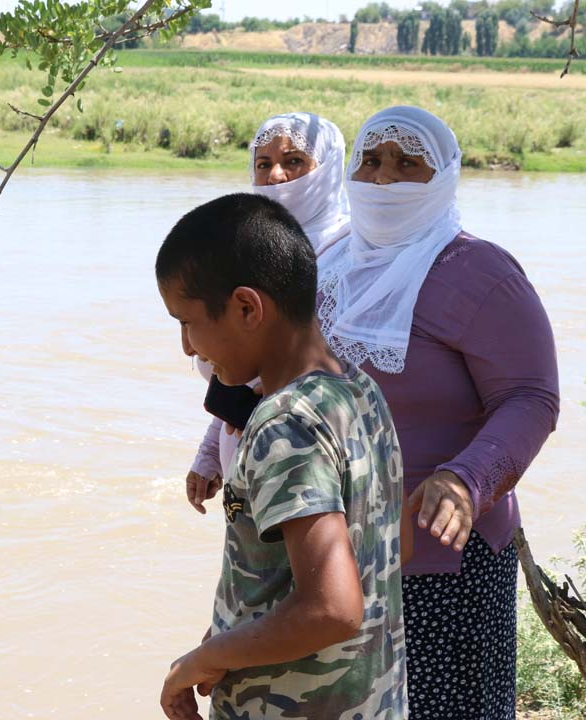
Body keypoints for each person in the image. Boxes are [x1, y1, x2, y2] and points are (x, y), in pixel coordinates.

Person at [319, 106, 560, 718]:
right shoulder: (328, 264)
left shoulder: (480, 272)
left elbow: (531, 397)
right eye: (370, 161)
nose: (382, 178)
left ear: (444, 177)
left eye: (407, 164)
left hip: (439, 559)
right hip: (333, 548)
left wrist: (465, 478)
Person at [156, 194, 407, 720]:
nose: (186, 347)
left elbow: (331, 608)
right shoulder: (358, 391)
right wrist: (230, 634)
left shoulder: (283, 423)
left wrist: (199, 660)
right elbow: (388, 547)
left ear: (247, 308)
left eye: (187, 322)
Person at [187, 112, 351, 515]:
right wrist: (210, 450)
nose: (276, 175)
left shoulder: (351, 256)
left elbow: (348, 374)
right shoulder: (249, 251)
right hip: (243, 462)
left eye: (294, 161)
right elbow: (240, 371)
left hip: (308, 469)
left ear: (327, 170)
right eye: (264, 164)